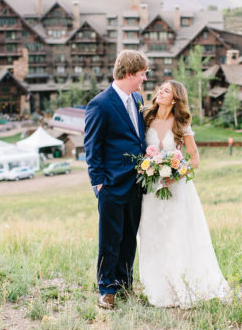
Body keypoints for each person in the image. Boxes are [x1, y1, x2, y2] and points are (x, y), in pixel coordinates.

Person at [138, 80, 230, 308]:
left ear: (175, 98)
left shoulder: (181, 124)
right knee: (152, 235)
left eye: (166, 90)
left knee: (176, 235)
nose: (160, 92)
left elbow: (195, 159)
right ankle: (158, 287)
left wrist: (176, 174)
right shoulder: (146, 118)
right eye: (160, 88)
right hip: (150, 189)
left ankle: (182, 284)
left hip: (176, 189)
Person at [84, 50, 148, 309]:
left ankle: (124, 285)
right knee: (110, 239)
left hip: (137, 183)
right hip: (111, 184)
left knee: (129, 237)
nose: (144, 79)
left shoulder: (138, 98)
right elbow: (92, 146)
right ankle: (106, 289)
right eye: (142, 74)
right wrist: (98, 183)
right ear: (130, 73)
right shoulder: (100, 104)